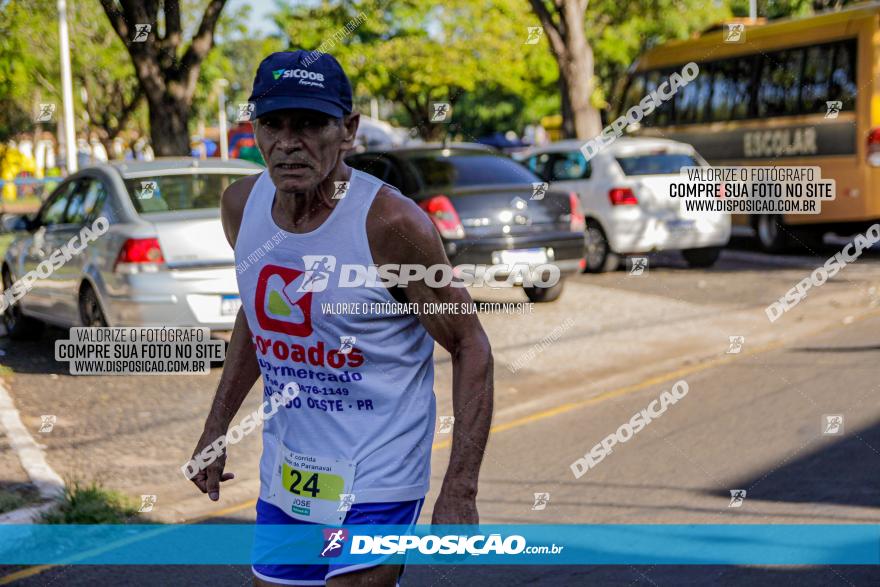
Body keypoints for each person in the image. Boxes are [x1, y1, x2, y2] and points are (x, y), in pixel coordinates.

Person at [189, 49, 494, 587]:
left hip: (381, 469)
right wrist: (216, 429)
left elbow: (470, 344)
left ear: (348, 130)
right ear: (253, 127)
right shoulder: (241, 206)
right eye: (273, 124)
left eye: (310, 124)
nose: (288, 142)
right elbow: (256, 317)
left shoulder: (391, 223)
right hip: (290, 469)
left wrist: (460, 487)